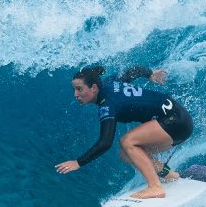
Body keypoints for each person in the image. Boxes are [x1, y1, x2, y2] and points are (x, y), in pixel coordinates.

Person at [55, 65, 194, 199]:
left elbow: (105, 142)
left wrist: (78, 162)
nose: (76, 94)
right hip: (177, 119)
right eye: (74, 89)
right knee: (126, 154)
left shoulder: (108, 105)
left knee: (127, 141)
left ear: (94, 88)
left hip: (176, 122)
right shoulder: (109, 82)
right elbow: (134, 70)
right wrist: (150, 74)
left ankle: (155, 187)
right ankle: (171, 176)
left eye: (79, 89)